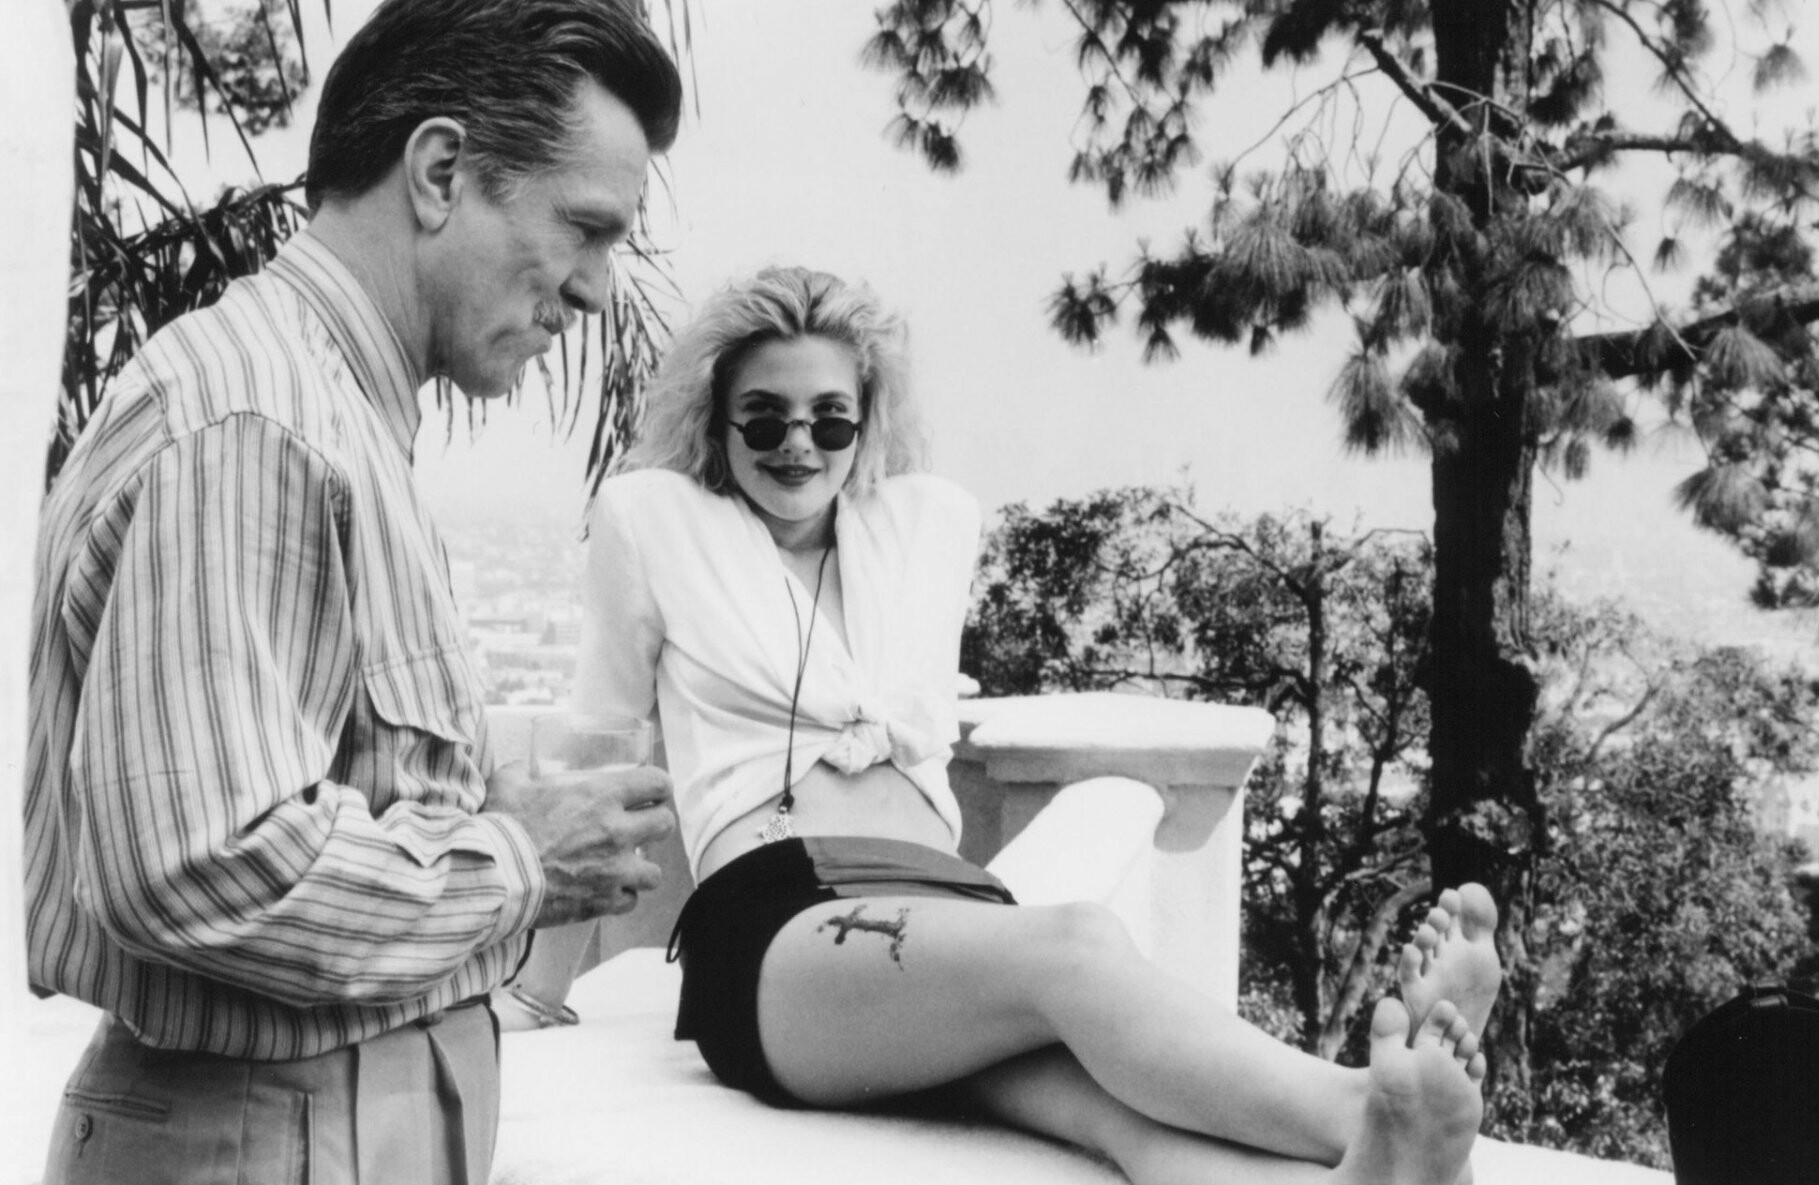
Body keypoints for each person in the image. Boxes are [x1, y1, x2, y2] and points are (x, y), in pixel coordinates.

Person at [555, 264, 1505, 1185]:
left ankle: (1368, 1175)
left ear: (866, 421)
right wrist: (534, 979)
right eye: (765, 416)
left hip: (951, 911)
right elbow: (600, 751)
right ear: (717, 420)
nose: (798, 443)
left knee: (1108, 1113)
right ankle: (1354, 1105)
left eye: (830, 417)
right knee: (1081, 943)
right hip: (775, 922)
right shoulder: (657, 523)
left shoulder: (917, 530)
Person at [23, 2, 681, 1181]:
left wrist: (468, 813)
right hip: (267, 1136)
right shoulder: (259, 419)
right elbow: (198, 867)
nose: (591, 291)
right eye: (584, 228)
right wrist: (518, 859)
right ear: (439, 172)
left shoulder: (321, 410)